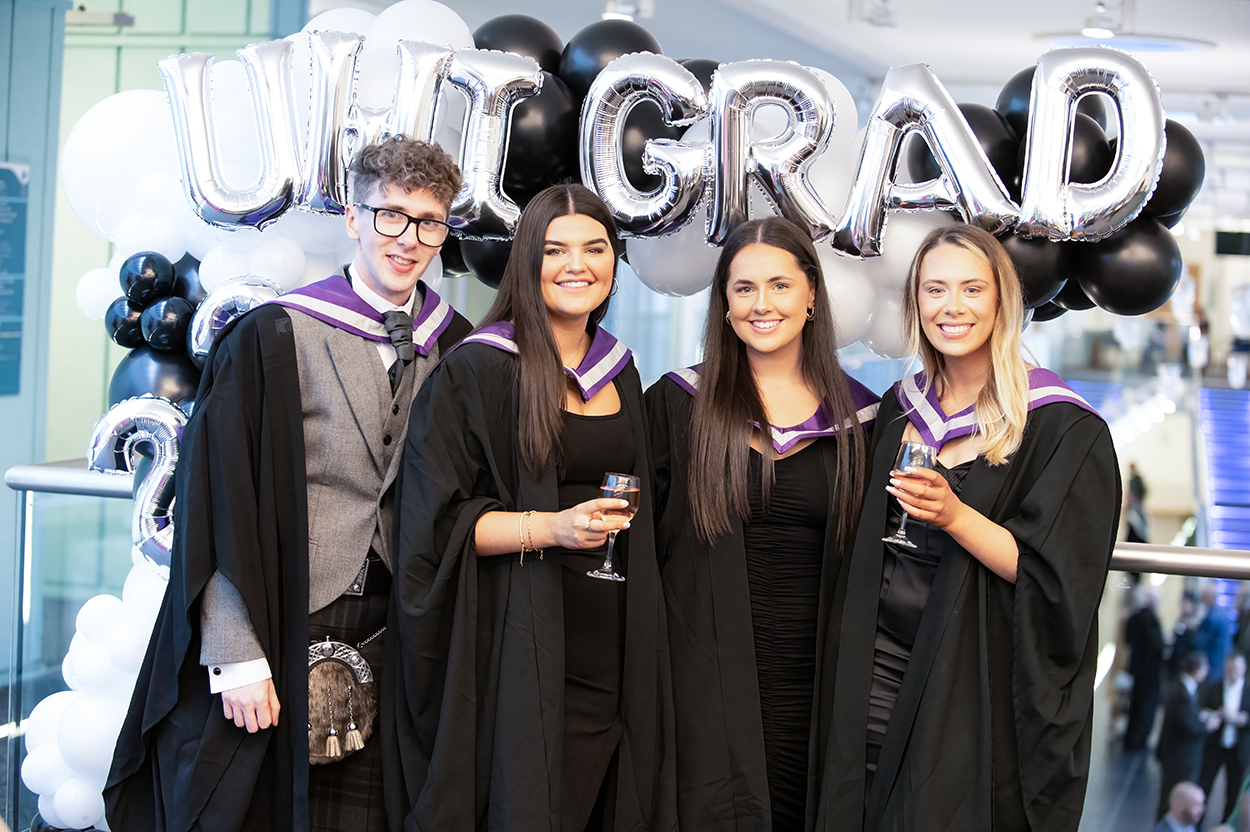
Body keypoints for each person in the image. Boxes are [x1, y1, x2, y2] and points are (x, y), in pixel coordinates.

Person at [104, 136, 472, 831]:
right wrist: (234, 651)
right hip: (284, 614)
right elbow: (218, 502)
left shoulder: (457, 346)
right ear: (355, 218)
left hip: (405, 625)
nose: (409, 239)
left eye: (429, 222)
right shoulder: (275, 336)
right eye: (391, 215)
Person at [385, 183, 676, 830]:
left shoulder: (621, 372)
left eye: (595, 248)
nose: (579, 265)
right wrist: (555, 528)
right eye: (556, 250)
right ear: (527, 263)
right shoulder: (480, 371)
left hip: (610, 640)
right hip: (517, 645)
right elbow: (434, 529)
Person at [820, 224, 1121, 832]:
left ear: (1002, 302)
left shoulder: (1062, 427)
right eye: (934, 290)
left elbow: (1057, 577)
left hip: (969, 681)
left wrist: (955, 517)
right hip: (875, 668)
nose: (951, 307)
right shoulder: (899, 410)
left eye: (971, 290)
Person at [646, 217, 876, 830]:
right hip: (702, 683)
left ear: (811, 297)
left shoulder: (864, 424)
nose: (762, 304)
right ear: (723, 304)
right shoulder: (677, 406)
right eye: (743, 288)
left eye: (779, 284)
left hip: (817, 687)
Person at [1158, 651, 1212, 819]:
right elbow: (1185, 724)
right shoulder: (1180, 690)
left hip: (1178, 753)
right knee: (1173, 795)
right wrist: (1206, 725)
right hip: (1179, 756)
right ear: (1198, 670)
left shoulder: (1184, 687)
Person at [1200, 653, 1250, 821]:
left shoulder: (1248, 691)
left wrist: (1242, 719)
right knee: (1204, 785)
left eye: (1236, 669)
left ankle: (1226, 825)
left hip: (1238, 749)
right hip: (1215, 746)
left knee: (1234, 790)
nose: (1233, 673)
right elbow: (1202, 710)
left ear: (1244, 669)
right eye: (1230, 669)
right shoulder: (1214, 688)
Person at [1126, 585, 1167, 751]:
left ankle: (1131, 737)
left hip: (1137, 670)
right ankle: (1139, 740)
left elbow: (1128, 640)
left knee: (1135, 704)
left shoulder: (1134, 617)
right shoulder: (1151, 620)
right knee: (1145, 707)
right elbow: (1159, 647)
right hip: (1149, 672)